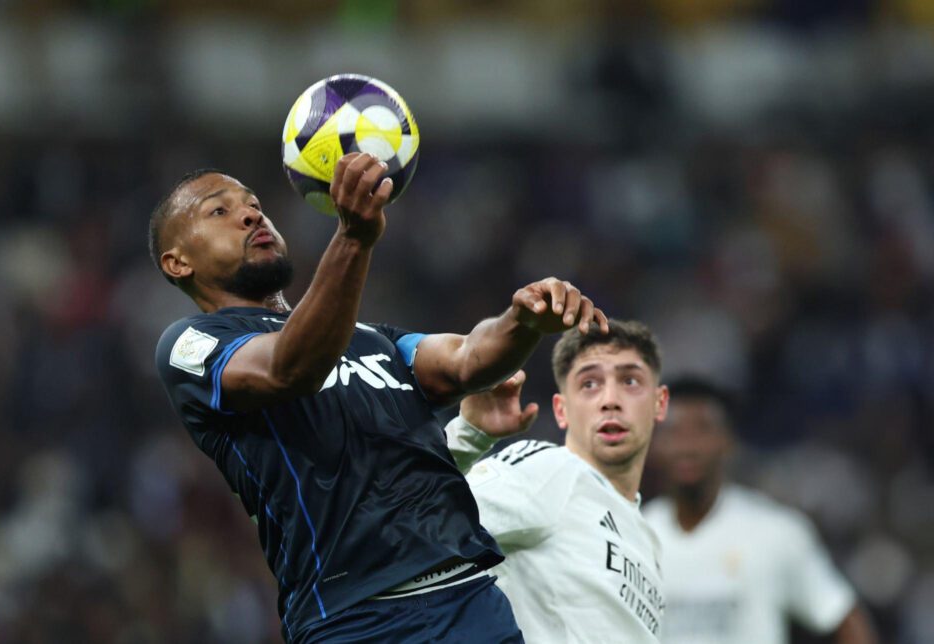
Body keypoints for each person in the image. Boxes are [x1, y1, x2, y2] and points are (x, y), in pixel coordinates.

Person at [149, 151, 608, 643]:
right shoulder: (190, 345)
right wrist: (352, 237)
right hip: (357, 618)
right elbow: (289, 368)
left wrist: (524, 321)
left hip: (470, 599)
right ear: (177, 263)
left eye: (254, 203)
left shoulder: (369, 336)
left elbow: (467, 360)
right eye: (219, 211)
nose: (251, 214)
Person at [446, 320, 670, 643]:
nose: (610, 400)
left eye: (630, 381)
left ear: (659, 402)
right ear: (561, 410)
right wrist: (467, 437)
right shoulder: (549, 471)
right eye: (589, 384)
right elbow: (421, 517)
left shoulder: (648, 538)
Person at [643, 376, 878, 644]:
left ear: (728, 441)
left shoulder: (776, 532)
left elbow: (844, 618)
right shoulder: (634, 537)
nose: (688, 446)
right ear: (655, 445)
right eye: (674, 432)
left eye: (702, 430)